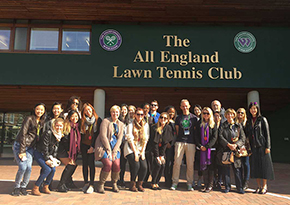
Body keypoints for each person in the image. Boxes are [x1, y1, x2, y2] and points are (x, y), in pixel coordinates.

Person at [12, 103, 46, 196]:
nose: (40, 111)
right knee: (23, 167)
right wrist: (22, 151)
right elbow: (23, 134)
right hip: (20, 145)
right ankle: (17, 187)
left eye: (42, 110)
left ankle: (23, 187)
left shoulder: (42, 122)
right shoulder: (29, 118)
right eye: (38, 109)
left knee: (29, 168)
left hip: (30, 147)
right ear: (34, 109)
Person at [94, 105, 125, 193]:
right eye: (113, 112)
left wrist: (114, 151)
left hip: (115, 147)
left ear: (119, 113)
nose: (115, 114)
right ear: (110, 113)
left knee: (116, 164)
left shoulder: (121, 124)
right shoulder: (105, 121)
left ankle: (114, 183)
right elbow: (103, 136)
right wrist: (108, 150)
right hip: (104, 146)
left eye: (117, 112)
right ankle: (101, 184)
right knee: (108, 163)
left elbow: (120, 139)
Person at [246, 102, 274, 194]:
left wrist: (268, 147)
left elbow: (267, 134)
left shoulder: (262, 120)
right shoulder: (249, 121)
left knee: (264, 167)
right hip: (253, 147)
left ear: (257, 109)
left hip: (262, 146)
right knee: (255, 167)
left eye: (255, 108)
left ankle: (264, 186)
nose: (253, 110)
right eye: (251, 108)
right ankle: (258, 186)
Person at [32, 118, 64, 196]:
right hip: (39, 153)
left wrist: (54, 159)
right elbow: (44, 147)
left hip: (48, 155)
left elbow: (55, 148)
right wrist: (47, 159)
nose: (58, 128)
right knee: (47, 169)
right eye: (57, 126)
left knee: (53, 169)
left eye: (60, 126)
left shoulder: (59, 135)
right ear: (54, 125)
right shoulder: (48, 133)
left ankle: (46, 186)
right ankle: (36, 187)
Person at [170, 99, 197, 191]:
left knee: (190, 164)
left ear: (189, 106)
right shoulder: (178, 118)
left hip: (190, 142)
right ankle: (175, 182)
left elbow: (194, 130)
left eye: (186, 106)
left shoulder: (194, 118)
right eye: (183, 106)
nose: (185, 107)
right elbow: (177, 131)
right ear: (180, 107)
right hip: (180, 141)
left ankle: (189, 183)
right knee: (177, 163)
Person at [219, 108, 245, 194]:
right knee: (226, 169)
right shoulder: (223, 125)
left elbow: (243, 138)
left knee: (237, 169)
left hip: (235, 150)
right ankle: (227, 187)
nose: (229, 116)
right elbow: (220, 136)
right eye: (228, 114)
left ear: (234, 115)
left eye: (231, 114)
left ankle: (239, 187)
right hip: (226, 149)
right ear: (225, 116)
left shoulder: (238, 126)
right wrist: (228, 144)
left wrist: (236, 144)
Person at [124, 108, 149, 192]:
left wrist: (142, 152)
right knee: (136, 164)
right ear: (134, 115)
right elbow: (129, 139)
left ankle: (140, 184)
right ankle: (132, 184)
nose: (140, 116)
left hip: (141, 148)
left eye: (142, 114)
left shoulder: (145, 125)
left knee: (144, 167)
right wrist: (135, 153)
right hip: (130, 148)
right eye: (138, 114)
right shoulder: (130, 125)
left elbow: (146, 139)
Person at [80, 103, 102, 194]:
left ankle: (92, 184)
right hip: (84, 145)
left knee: (91, 164)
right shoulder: (81, 121)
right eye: (86, 111)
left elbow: (98, 134)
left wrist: (93, 147)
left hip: (93, 145)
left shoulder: (97, 120)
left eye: (89, 110)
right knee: (84, 164)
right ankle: (86, 183)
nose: (88, 112)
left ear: (92, 110)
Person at [57, 110, 81, 192]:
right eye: (73, 116)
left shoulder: (77, 126)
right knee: (71, 165)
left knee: (73, 165)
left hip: (72, 150)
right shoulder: (67, 126)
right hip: (63, 150)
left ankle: (68, 182)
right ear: (69, 117)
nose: (75, 118)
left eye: (76, 116)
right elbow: (65, 140)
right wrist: (68, 150)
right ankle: (61, 184)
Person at [195, 107, 218, 193]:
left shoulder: (213, 124)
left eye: (207, 113)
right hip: (201, 149)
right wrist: (200, 146)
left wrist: (207, 146)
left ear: (210, 114)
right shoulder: (199, 124)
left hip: (210, 150)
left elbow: (215, 137)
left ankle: (210, 185)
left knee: (210, 168)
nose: (205, 115)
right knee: (203, 167)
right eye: (204, 113)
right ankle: (205, 185)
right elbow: (196, 136)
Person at [149, 112, 174, 190]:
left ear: (167, 120)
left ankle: (157, 182)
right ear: (159, 119)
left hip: (161, 151)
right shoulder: (154, 128)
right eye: (161, 117)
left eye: (165, 118)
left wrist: (162, 156)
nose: (163, 119)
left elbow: (165, 143)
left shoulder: (168, 128)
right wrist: (157, 156)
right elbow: (154, 143)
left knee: (163, 165)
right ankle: (153, 182)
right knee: (157, 165)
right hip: (153, 150)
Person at [236, 107, 250, 191]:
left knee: (246, 163)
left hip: (246, 146)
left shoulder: (247, 123)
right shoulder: (236, 123)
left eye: (242, 113)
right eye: (238, 112)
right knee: (239, 164)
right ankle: (240, 181)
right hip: (238, 145)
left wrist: (245, 145)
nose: (240, 114)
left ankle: (246, 182)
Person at [164, 105, 177, 187]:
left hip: (174, 145)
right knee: (167, 163)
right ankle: (167, 181)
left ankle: (172, 180)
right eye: (169, 111)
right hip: (167, 145)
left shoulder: (176, 121)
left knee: (173, 163)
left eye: (173, 112)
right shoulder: (165, 121)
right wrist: (167, 143)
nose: (171, 113)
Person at [193, 104, 203, 188]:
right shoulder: (192, 119)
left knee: (201, 163)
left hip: (202, 145)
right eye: (195, 110)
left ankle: (199, 179)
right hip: (194, 143)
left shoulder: (204, 119)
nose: (197, 111)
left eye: (198, 110)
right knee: (194, 163)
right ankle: (193, 179)